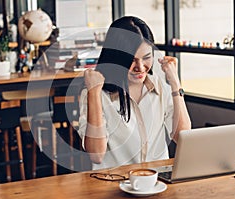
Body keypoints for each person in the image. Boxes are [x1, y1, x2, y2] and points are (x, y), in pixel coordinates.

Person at [78, 16, 191, 170]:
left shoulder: (158, 84)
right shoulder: (96, 93)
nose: (140, 67)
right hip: (115, 183)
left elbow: (183, 136)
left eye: (146, 58)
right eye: (131, 60)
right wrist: (93, 93)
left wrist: (175, 83)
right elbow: (96, 155)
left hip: (158, 181)